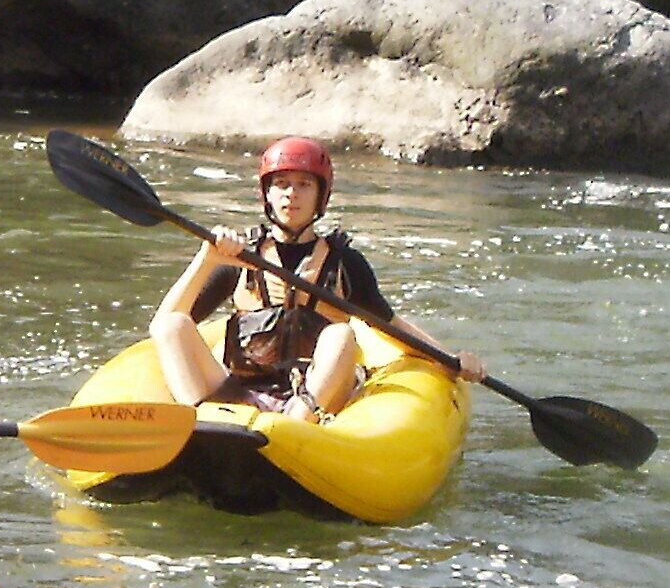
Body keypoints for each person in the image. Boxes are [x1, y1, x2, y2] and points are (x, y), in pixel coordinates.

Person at [150, 136, 476, 420]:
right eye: (281, 184)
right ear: (267, 193)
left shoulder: (344, 263)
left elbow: (389, 324)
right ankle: (197, 425)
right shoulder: (240, 257)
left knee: (340, 336)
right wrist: (207, 258)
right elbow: (165, 325)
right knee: (172, 325)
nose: (291, 194)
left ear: (322, 195)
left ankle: (295, 426)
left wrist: (450, 361)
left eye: (304, 184)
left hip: (314, 400)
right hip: (241, 390)